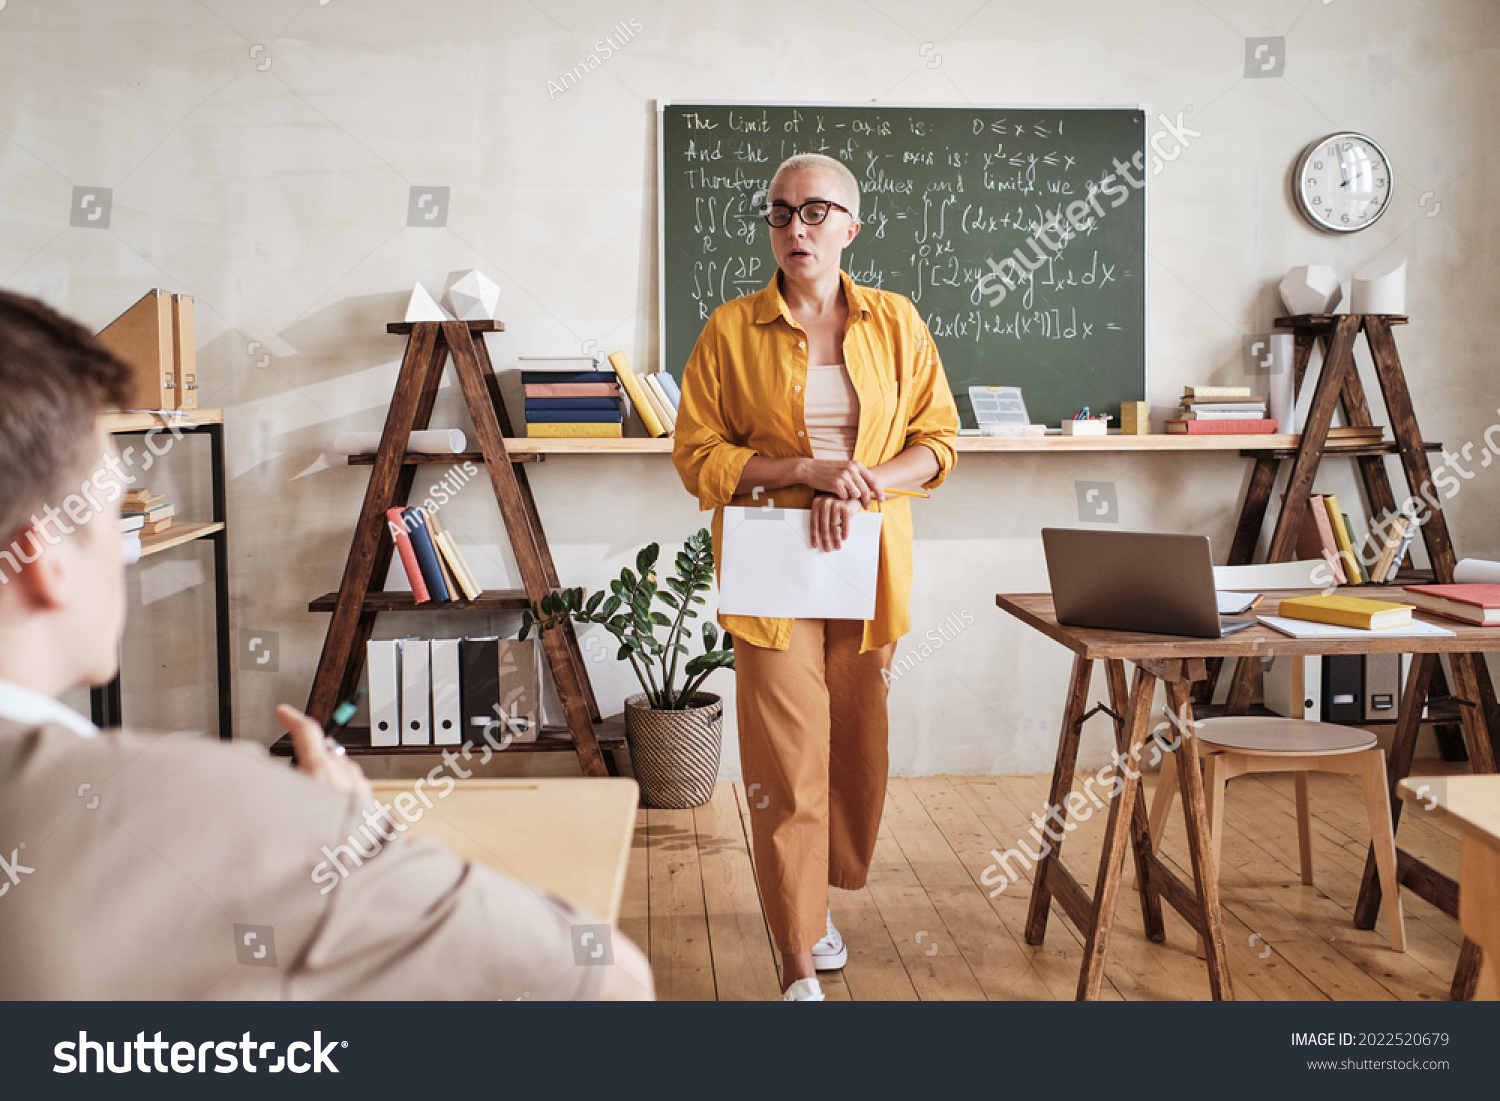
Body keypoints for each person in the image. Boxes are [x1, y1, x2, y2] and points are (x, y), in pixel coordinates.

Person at [0, 289, 652, 1000]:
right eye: (112, 517)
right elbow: (607, 980)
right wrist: (353, 840)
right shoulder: (199, 809)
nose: (128, 558)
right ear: (47, 560)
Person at [673, 153, 959, 1000]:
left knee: (854, 753)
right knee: (786, 759)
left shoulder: (898, 322)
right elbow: (697, 456)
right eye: (780, 213)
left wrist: (859, 480)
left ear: (850, 227)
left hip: (867, 569)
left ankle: (815, 904)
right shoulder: (729, 329)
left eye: (815, 211)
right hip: (773, 573)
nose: (795, 228)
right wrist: (806, 469)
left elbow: (937, 445)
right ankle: (798, 963)